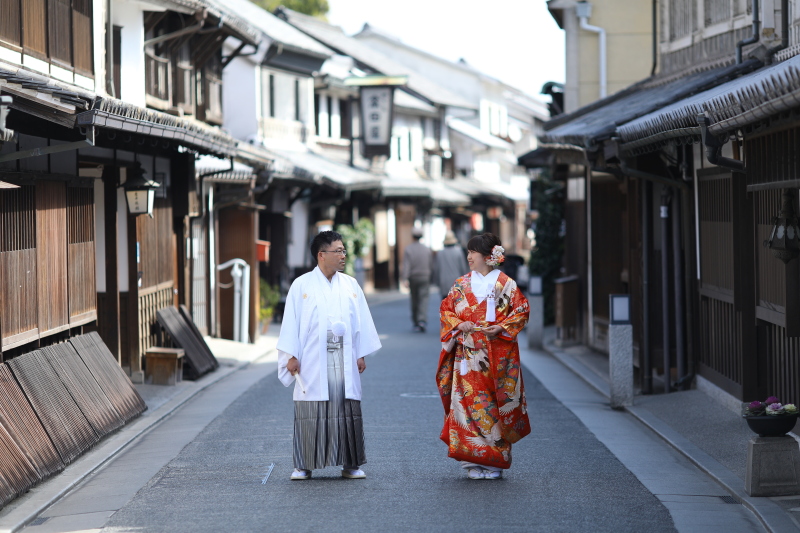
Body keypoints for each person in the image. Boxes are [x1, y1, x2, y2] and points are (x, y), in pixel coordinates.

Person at [277, 230, 382, 481]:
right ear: (321, 255)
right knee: (311, 408)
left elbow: (361, 322)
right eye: (338, 251)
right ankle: (304, 465)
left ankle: (350, 463)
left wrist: (360, 353)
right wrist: (291, 355)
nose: (343, 255)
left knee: (346, 407)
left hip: (344, 356)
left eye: (344, 251)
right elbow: (290, 323)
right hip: (313, 358)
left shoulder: (350, 285)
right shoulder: (301, 285)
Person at [436, 233, 530, 480]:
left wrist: (500, 327)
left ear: (488, 256)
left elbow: (521, 311)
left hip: (497, 356)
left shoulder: (506, 284)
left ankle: (496, 461)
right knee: (466, 406)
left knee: (495, 406)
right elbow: (446, 310)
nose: (468, 257)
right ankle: (472, 463)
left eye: (472, 252)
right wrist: (459, 324)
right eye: (468, 252)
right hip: (467, 357)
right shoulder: (460, 284)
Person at [400, 227, 433, 332]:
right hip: (425, 276)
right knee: (423, 299)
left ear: (412, 236)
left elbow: (406, 265)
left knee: (414, 299)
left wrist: (405, 278)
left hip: (413, 277)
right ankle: (421, 320)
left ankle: (415, 321)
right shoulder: (426, 249)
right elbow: (431, 264)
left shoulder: (408, 249)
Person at [433, 230, 469, 300]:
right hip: (456, 282)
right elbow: (463, 268)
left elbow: (436, 269)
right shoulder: (458, 252)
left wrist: (437, 282)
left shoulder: (440, 253)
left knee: (446, 305)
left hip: (444, 282)